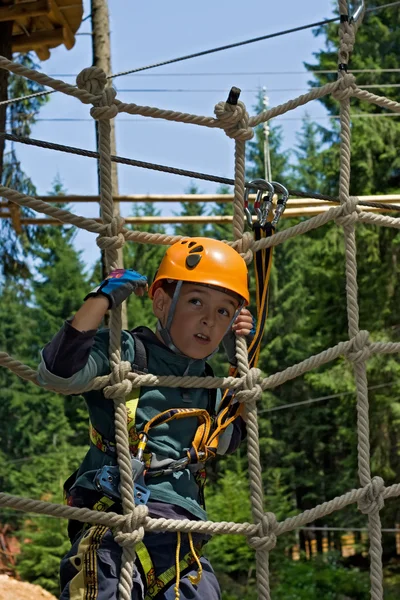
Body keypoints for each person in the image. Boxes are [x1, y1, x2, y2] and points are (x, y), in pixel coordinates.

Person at [38, 237, 254, 600]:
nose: (208, 319)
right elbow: (58, 374)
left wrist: (240, 364)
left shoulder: (210, 384)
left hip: (180, 532)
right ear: (161, 302)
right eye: (196, 301)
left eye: (223, 311)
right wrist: (101, 299)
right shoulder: (126, 353)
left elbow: (229, 438)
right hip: (114, 517)